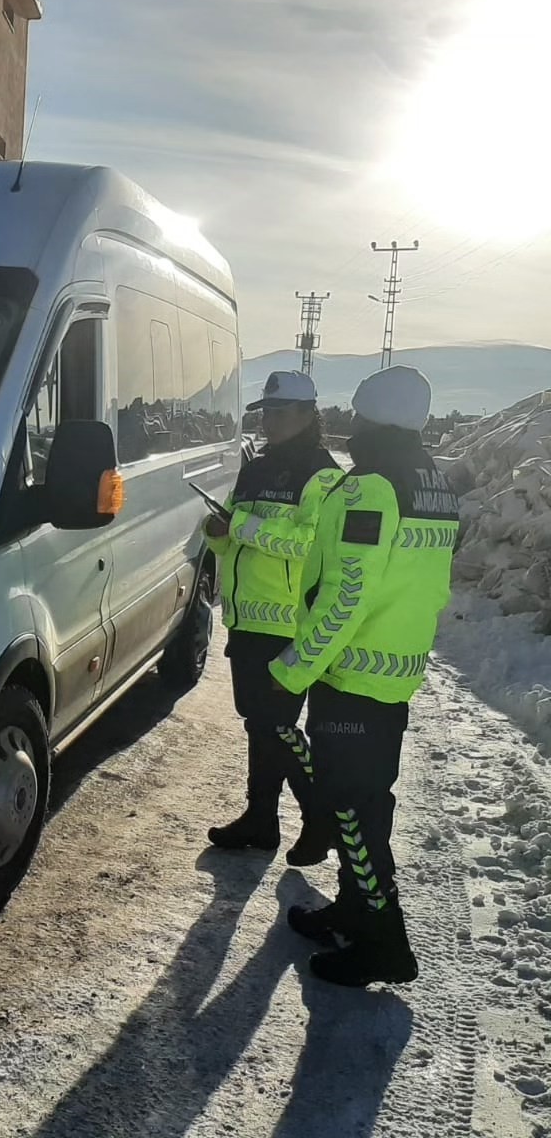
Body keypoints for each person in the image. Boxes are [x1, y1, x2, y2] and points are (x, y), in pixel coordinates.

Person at [272, 365, 458, 987]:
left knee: (353, 812)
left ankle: (385, 943)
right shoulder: (431, 482)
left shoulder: (371, 487)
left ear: (371, 417)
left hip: (352, 673)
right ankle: (355, 908)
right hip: (394, 670)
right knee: (364, 804)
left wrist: (294, 671)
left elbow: (347, 593)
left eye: (356, 413)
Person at [205, 370, 343, 864]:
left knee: (278, 727)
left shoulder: (324, 475)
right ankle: (261, 819)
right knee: (259, 725)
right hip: (247, 620)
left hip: (287, 624)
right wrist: (218, 531)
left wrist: (240, 526)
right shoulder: (256, 466)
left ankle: (319, 818)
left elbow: (306, 544)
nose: (271, 420)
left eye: (281, 412)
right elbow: (235, 535)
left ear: (309, 415)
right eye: (266, 411)